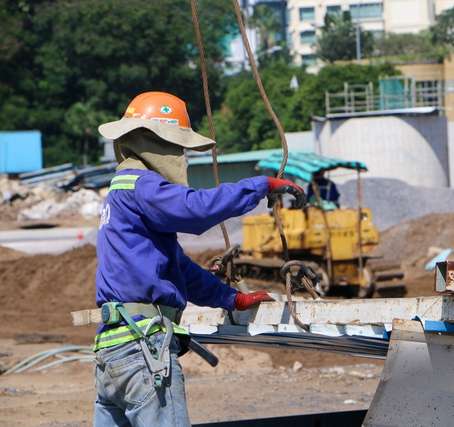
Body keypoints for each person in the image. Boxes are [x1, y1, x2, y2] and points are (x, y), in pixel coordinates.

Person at [92, 91, 305, 426]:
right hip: (141, 348)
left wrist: (231, 298)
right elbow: (196, 210)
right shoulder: (141, 185)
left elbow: (179, 269)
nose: (183, 157)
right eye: (179, 148)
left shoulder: (121, 194)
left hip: (112, 350)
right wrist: (260, 186)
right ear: (157, 144)